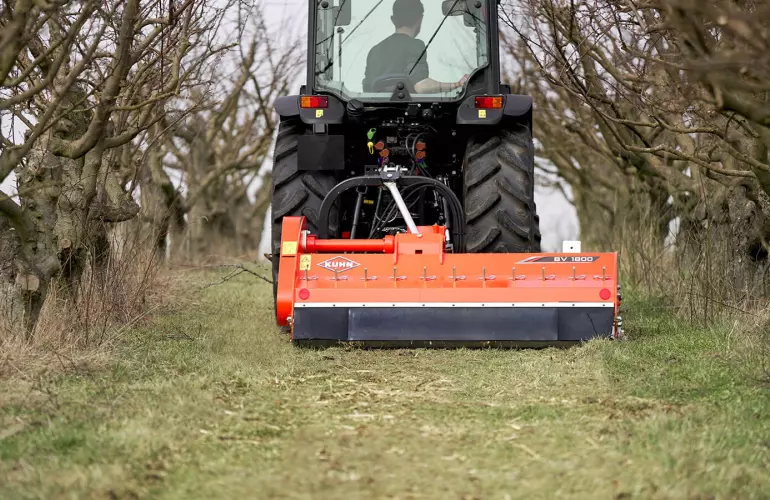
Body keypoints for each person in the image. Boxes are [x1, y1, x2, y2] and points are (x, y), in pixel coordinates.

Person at [362, 0, 468, 93]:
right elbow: (421, 86)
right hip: (407, 108)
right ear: (420, 19)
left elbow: (367, 91)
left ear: (393, 20)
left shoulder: (374, 51)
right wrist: (456, 85)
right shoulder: (415, 45)